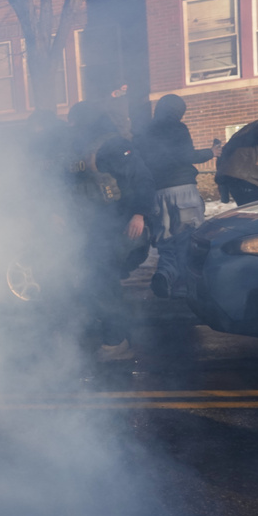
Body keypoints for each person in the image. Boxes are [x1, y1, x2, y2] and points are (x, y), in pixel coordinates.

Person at [66, 101, 155, 361]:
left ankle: (116, 341)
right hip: (94, 228)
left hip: (115, 227)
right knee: (94, 282)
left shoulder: (113, 145)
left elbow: (143, 179)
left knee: (103, 283)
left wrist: (139, 214)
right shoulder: (85, 147)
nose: (71, 126)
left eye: (75, 120)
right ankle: (114, 332)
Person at [135, 94, 215, 299]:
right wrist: (211, 152)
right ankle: (186, 287)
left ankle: (164, 274)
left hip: (157, 192)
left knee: (166, 241)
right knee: (188, 239)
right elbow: (186, 156)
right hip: (183, 190)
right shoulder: (178, 128)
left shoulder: (144, 132)